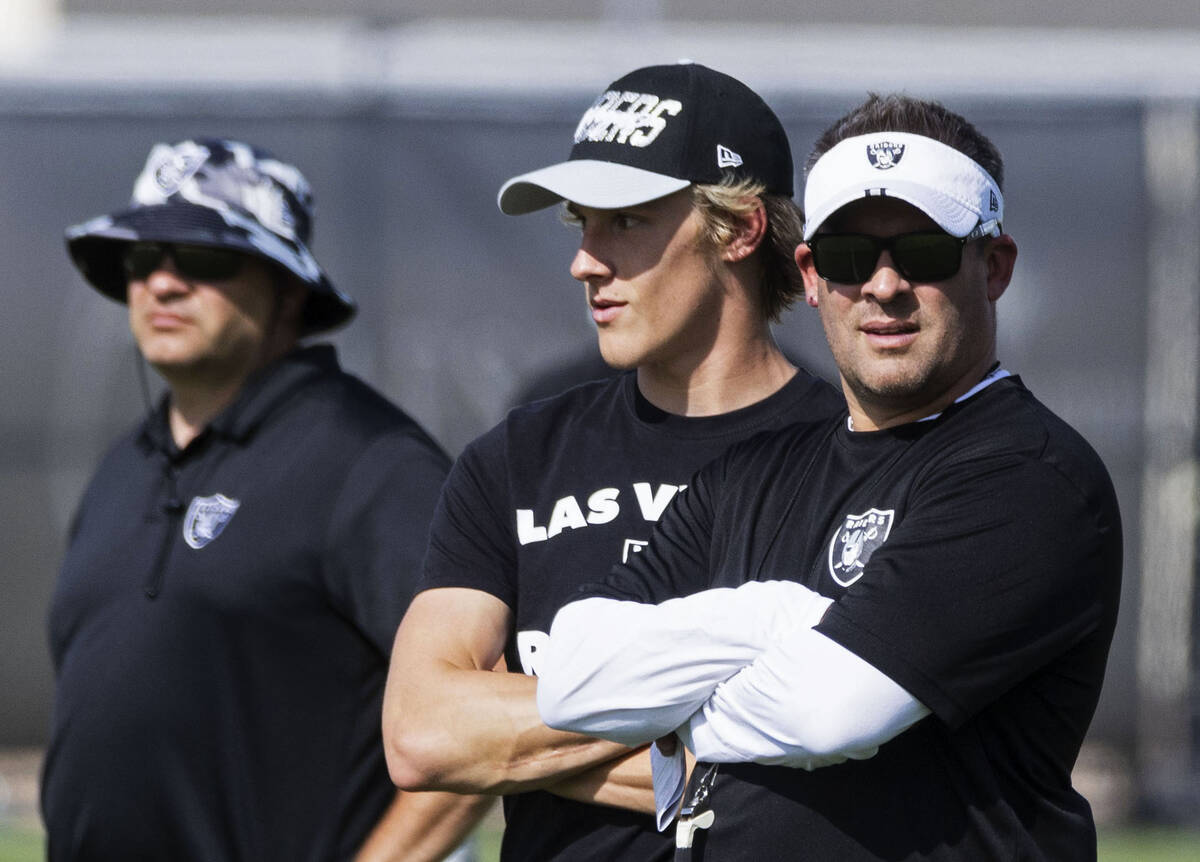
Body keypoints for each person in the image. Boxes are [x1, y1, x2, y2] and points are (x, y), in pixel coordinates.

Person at [536, 93, 1123, 860]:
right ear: (810, 275)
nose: (883, 286)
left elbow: (825, 710)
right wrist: (775, 616)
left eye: (923, 251)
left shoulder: (1029, 477)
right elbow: (571, 676)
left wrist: (666, 721)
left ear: (996, 266)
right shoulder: (753, 472)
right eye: (849, 258)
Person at [382, 62, 844, 861]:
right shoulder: (520, 457)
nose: (585, 262)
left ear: (737, 230)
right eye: (581, 222)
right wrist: (700, 733)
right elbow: (423, 732)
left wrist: (515, 749)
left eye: (626, 221)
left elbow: (850, 760)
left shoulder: (855, 456)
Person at [42, 138, 489, 861]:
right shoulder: (124, 466)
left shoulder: (367, 460)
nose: (163, 283)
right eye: (141, 258)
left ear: (288, 290)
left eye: (204, 258)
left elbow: (480, 719)